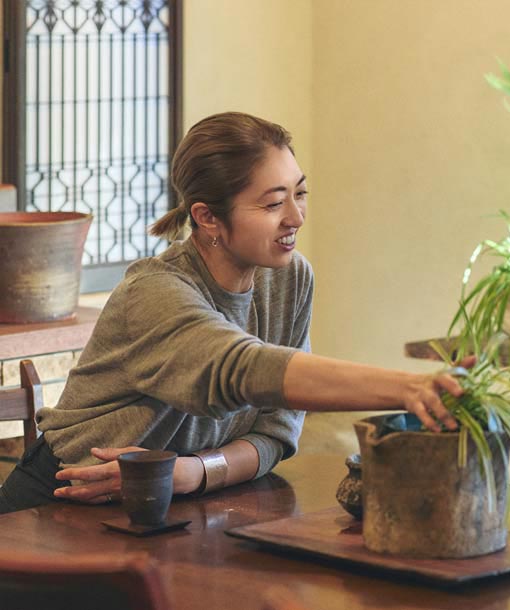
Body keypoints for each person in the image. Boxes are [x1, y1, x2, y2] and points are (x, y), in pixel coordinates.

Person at [0, 111, 468, 514]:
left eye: (299, 194)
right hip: (60, 504)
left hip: (181, 505)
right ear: (206, 217)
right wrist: (408, 388)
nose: (296, 218)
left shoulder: (289, 277)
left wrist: (193, 473)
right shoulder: (155, 292)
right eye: (272, 203)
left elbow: (277, 430)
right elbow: (242, 369)